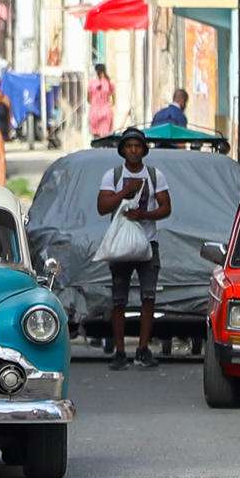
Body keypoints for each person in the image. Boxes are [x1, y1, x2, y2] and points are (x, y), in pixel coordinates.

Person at [96, 129, 171, 370]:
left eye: (137, 146)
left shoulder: (154, 175)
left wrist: (144, 214)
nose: (133, 150)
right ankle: (119, 351)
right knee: (119, 299)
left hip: (147, 242)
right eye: (128, 146)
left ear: (144, 149)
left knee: (148, 297)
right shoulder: (113, 175)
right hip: (121, 244)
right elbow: (102, 207)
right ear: (122, 150)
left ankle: (142, 348)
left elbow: (166, 207)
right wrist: (123, 193)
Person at [87, 63, 116, 140]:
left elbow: (89, 100)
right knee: (105, 136)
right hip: (106, 111)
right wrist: (108, 105)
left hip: (94, 112)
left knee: (96, 136)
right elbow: (114, 100)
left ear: (96, 71)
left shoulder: (91, 83)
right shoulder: (109, 83)